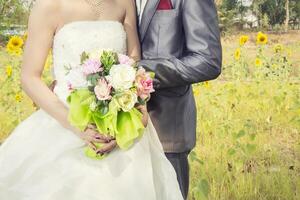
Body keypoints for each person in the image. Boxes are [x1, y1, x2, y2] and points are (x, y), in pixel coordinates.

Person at [0, 0, 184, 199]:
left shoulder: (124, 3)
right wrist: (76, 126)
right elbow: (29, 77)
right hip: (65, 121)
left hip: (120, 124)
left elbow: (133, 63)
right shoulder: (48, 5)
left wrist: (138, 110)